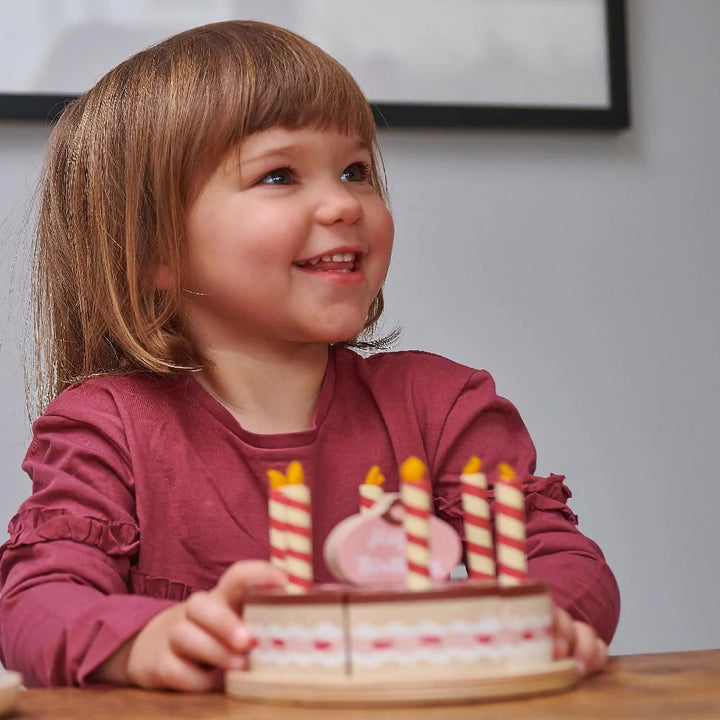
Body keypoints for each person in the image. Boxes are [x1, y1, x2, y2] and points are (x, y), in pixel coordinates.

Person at [0, 20, 619, 691]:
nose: (342, 203)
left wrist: (547, 618)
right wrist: (141, 640)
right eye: (279, 175)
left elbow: (561, 558)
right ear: (154, 251)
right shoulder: (107, 428)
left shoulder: (441, 406)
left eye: (354, 170)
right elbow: (36, 603)